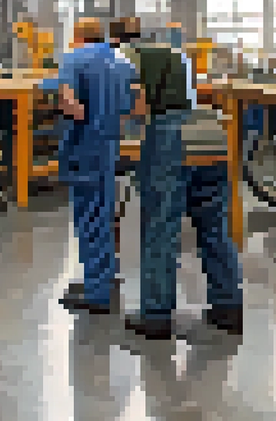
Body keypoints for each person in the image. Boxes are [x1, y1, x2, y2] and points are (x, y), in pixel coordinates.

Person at [121, 28, 243, 339]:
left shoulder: (133, 62)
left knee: (161, 229)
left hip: (169, 141)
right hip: (211, 138)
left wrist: (124, 117)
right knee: (214, 227)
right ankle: (228, 307)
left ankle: (156, 314)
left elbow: (137, 105)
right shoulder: (180, 63)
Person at [57, 17, 135, 314]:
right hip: (109, 144)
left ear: (77, 36)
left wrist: (80, 116)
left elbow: (69, 103)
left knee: (88, 215)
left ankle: (96, 291)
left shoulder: (74, 59)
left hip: (85, 144)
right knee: (104, 210)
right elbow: (132, 107)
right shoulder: (122, 61)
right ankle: (107, 275)